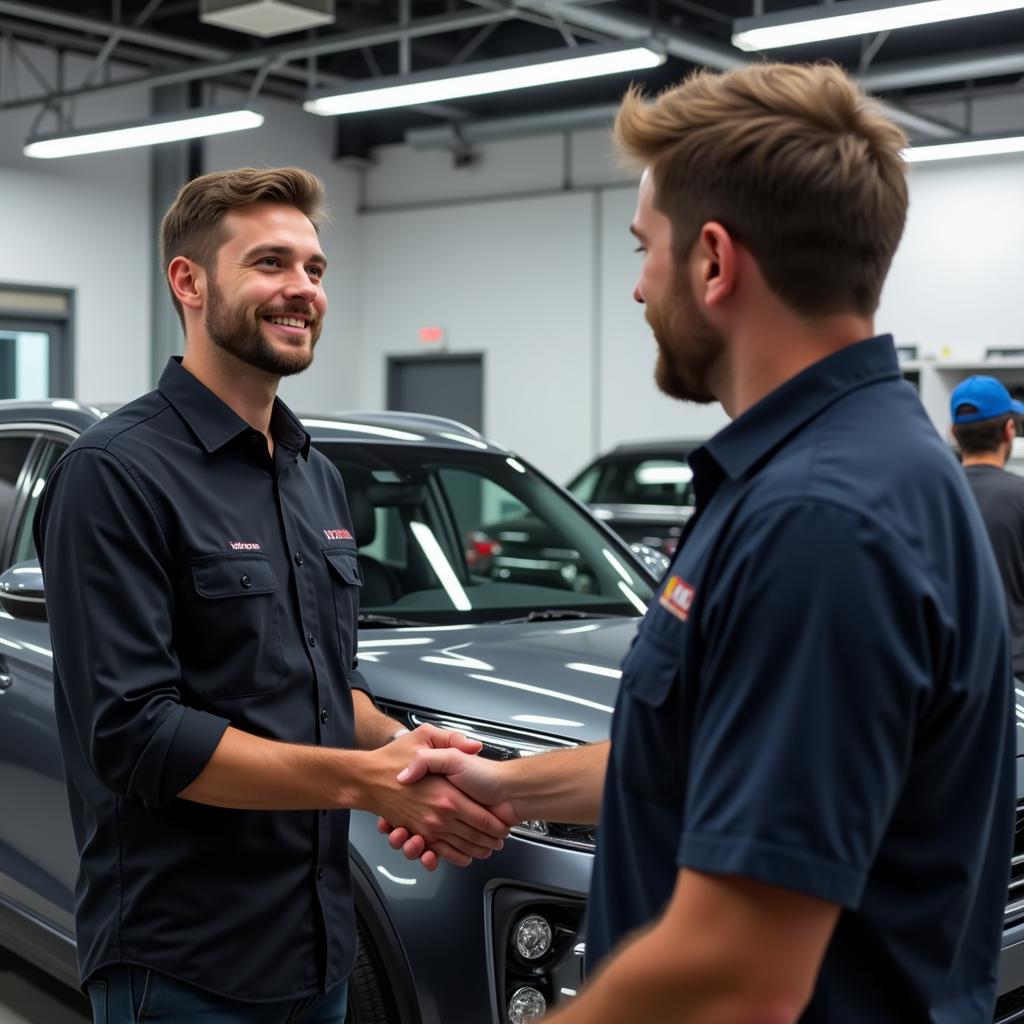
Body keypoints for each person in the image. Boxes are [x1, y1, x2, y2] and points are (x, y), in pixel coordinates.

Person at [382, 63, 1017, 1022]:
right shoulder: (840, 473)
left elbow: (739, 966)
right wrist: (503, 785)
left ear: (714, 262)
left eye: (645, 248)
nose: (637, 287)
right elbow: (698, 754)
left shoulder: (819, 521)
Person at [33, 167, 509, 1024]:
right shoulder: (114, 473)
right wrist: (369, 785)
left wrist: (406, 747)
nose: (302, 290)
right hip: (184, 966)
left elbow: (324, 683)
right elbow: (138, 735)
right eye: (270, 263)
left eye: (316, 270)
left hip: (318, 951)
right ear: (190, 281)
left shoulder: (313, 474)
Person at [952, 375, 1024, 678]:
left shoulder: (928, 496)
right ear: (1009, 431)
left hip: (950, 673)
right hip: (1014, 668)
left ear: (954, 433)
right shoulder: (1020, 496)